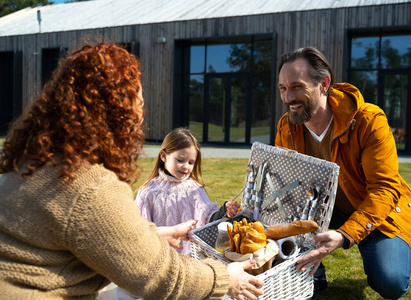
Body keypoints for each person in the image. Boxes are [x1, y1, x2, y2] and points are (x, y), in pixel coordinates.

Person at [0, 42, 263, 300]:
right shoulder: (87, 186)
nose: (141, 114)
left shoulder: (29, 164)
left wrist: (163, 233)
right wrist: (225, 278)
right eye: (137, 101)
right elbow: (158, 276)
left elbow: (107, 235)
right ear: (117, 112)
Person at [275, 47, 411, 299]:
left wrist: (345, 235)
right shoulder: (287, 127)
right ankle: (315, 276)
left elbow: (384, 189)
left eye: (296, 86)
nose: (288, 97)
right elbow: (287, 186)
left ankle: (397, 249)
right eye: (282, 88)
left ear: (324, 84)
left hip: (375, 209)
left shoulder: (369, 120)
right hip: (322, 207)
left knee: (391, 282)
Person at [136, 127, 240, 257]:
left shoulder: (195, 190)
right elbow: (139, 231)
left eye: (191, 162)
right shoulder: (148, 191)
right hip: (158, 260)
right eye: (180, 160)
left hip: (190, 261)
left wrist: (224, 210)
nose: (186, 166)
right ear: (164, 156)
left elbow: (207, 219)